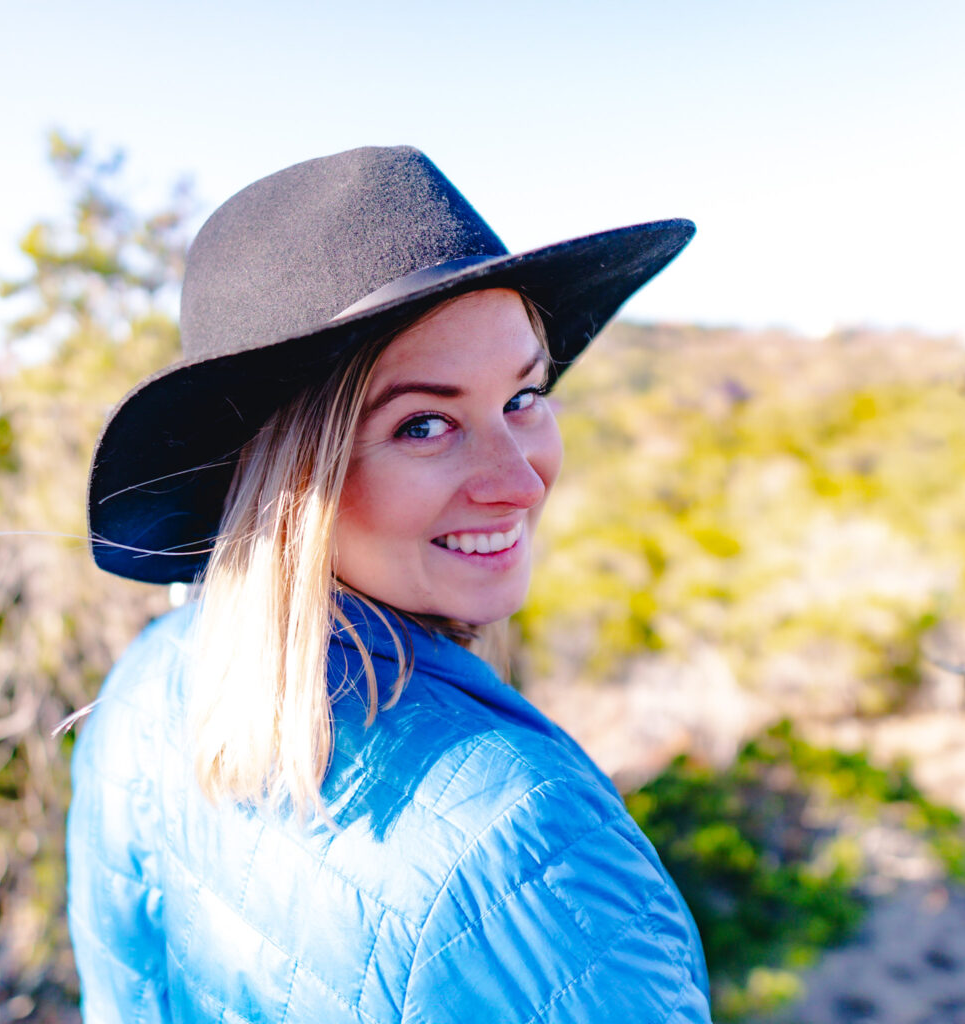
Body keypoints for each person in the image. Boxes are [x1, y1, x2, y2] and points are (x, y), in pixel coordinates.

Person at [67, 145, 711, 1022]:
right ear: (291, 478)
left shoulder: (145, 687)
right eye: (425, 423)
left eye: (525, 396)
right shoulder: (526, 850)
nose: (521, 481)